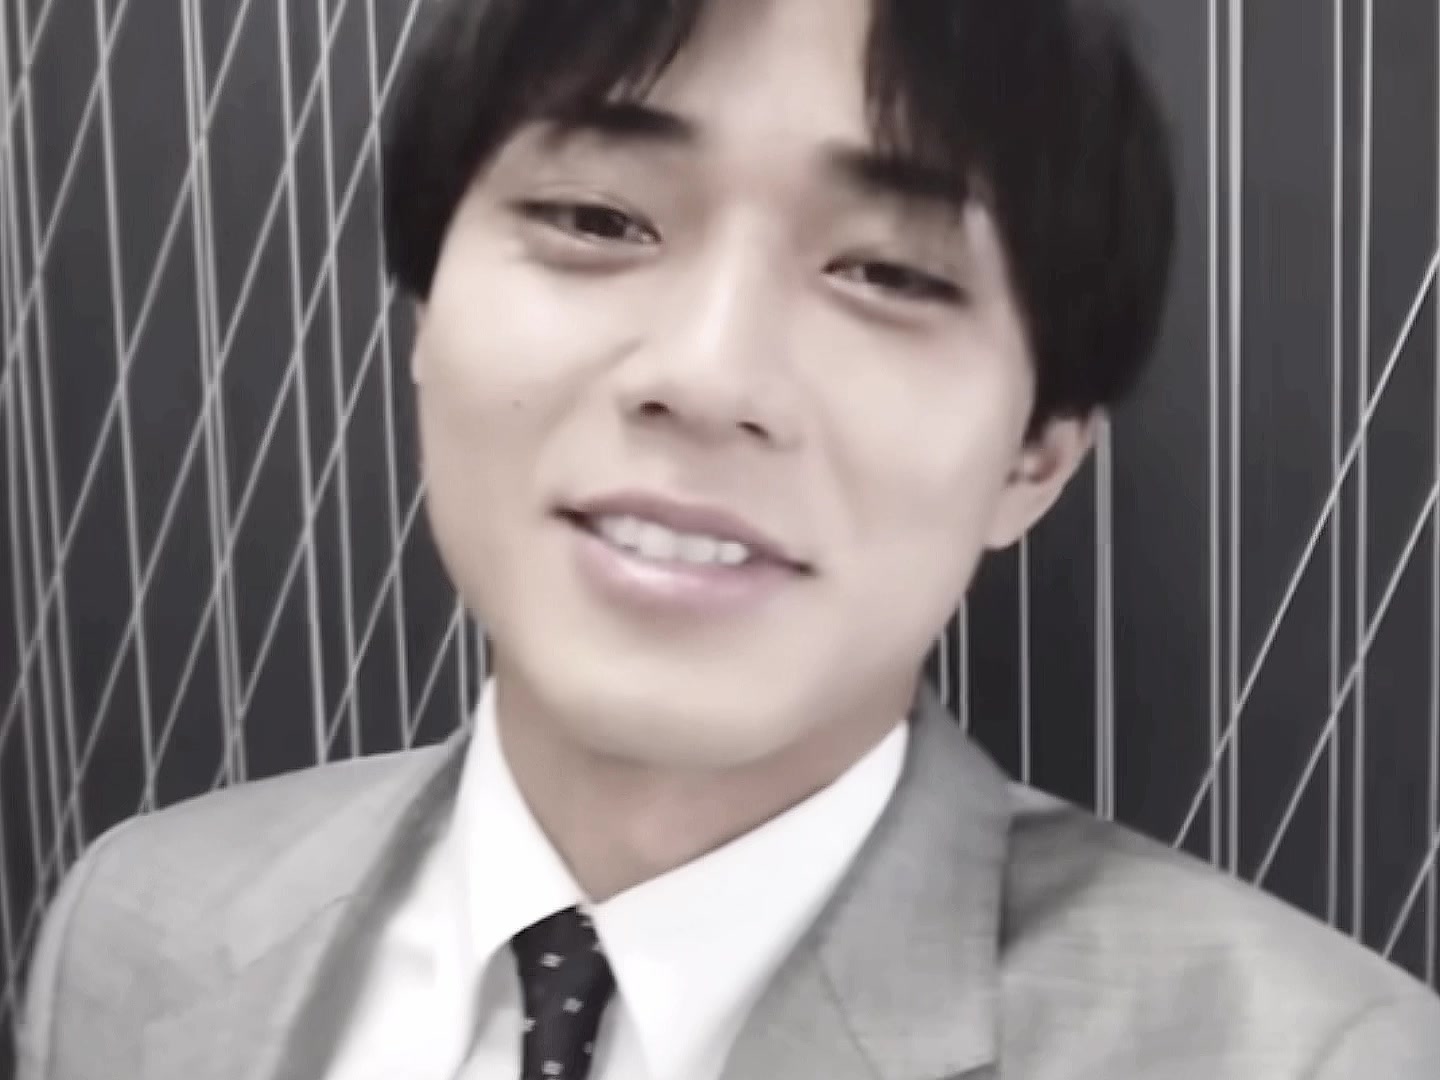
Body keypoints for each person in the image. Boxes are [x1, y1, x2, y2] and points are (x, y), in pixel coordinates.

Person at [18, 0, 1440, 1076]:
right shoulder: (132, 924)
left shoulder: (1316, 1056)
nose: (707, 375)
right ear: (426, 318)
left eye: (886, 272)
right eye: (595, 217)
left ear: (1037, 457)